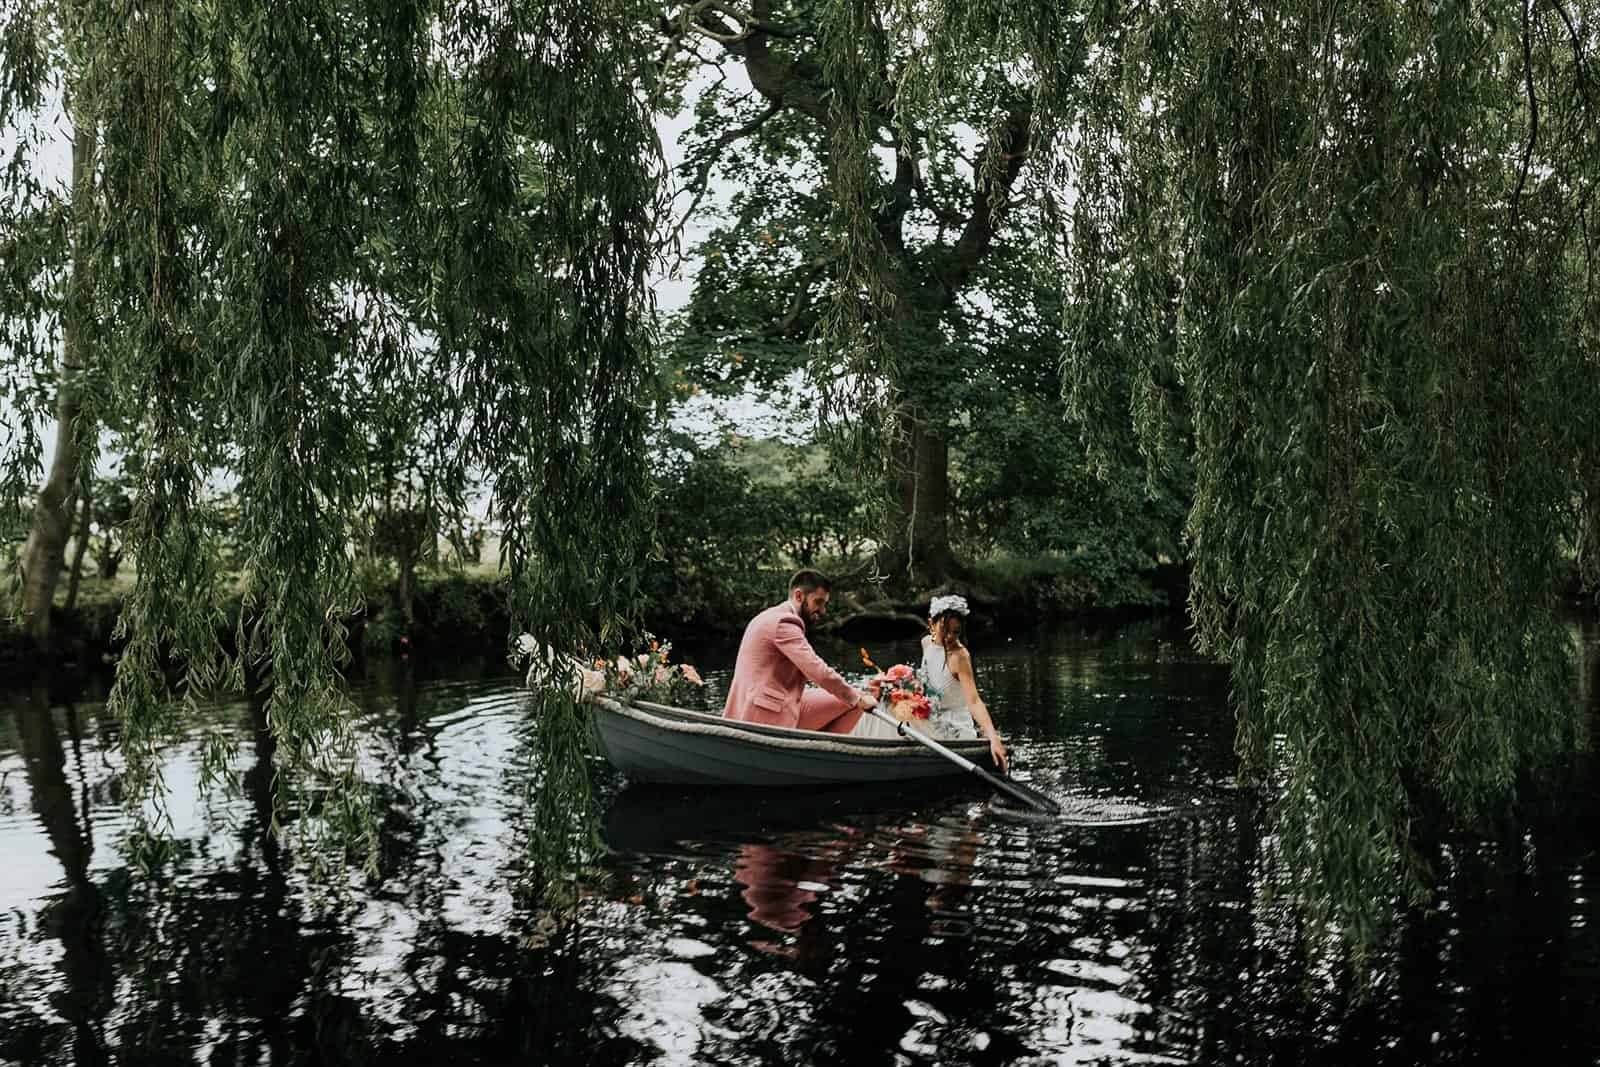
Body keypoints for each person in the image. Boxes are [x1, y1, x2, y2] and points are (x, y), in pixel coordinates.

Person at [854, 594, 1009, 771]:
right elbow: (928, 682)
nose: (950, 637)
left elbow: (973, 701)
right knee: (884, 699)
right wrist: (904, 687)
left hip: (950, 725)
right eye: (945, 631)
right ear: (931, 624)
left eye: (956, 632)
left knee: (890, 705)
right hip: (928, 714)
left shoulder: (960, 657)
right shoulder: (926, 643)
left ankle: (874, 758)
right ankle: (869, 752)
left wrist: (993, 738)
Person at [723, 569, 878, 733]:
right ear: (798, 596)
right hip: (765, 713)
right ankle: (823, 754)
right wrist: (857, 698)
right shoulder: (784, 622)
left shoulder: (770, 616)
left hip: (752, 705)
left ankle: (817, 749)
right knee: (853, 701)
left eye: (824, 604)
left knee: (850, 696)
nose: (823, 610)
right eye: (818, 602)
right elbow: (817, 670)